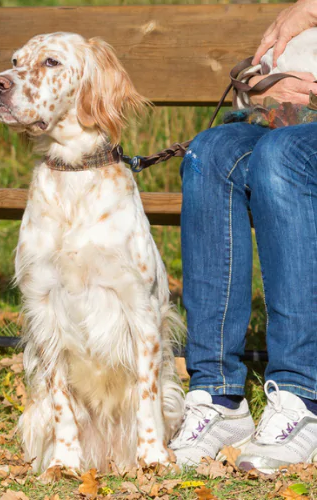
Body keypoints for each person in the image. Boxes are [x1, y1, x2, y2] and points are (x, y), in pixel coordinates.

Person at [169, 0, 317, 472]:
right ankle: (218, 395)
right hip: (296, 119)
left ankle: (301, 396)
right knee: (210, 151)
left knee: (280, 157)